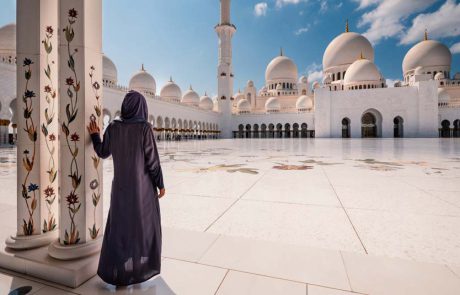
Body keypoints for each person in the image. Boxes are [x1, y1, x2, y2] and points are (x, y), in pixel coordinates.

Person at [87, 90, 165, 286]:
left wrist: (95, 135)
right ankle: (138, 271)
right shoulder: (144, 128)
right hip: (143, 190)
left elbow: (103, 152)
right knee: (142, 228)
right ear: (142, 107)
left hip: (120, 189)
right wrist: (160, 184)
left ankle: (120, 273)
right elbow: (153, 161)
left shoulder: (113, 127)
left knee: (120, 228)